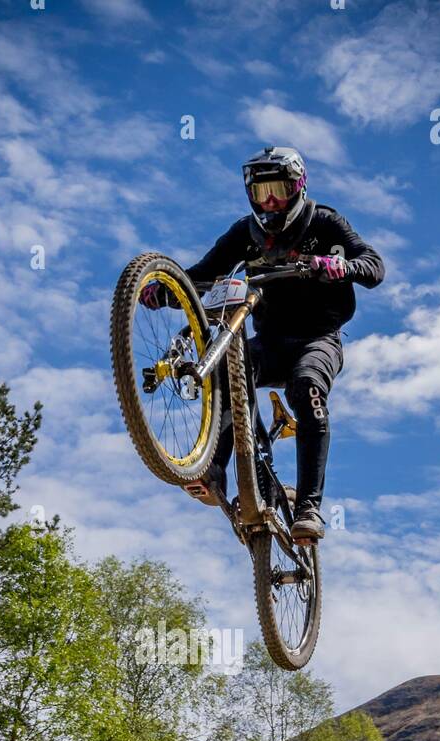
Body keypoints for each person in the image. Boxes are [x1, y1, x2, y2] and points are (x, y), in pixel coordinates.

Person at [140, 146, 384, 543]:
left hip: (318, 340)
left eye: (278, 190)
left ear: (298, 187)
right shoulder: (244, 234)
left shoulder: (325, 223)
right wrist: (164, 291)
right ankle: (215, 469)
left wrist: (341, 266)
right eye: (261, 192)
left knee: (306, 389)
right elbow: (201, 276)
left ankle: (308, 508)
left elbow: (374, 266)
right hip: (268, 342)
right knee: (224, 369)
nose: (270, 201)